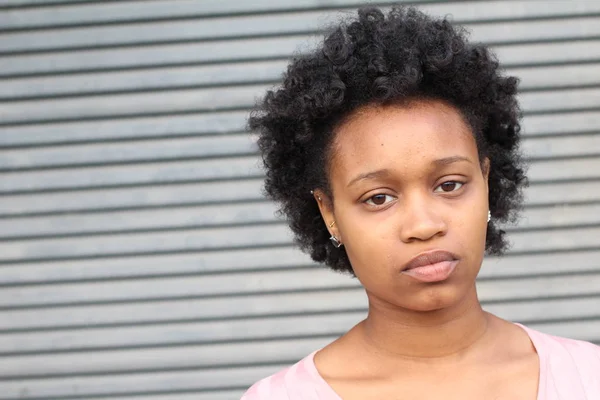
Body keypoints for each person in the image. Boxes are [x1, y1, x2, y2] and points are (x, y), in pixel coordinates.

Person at [241, 6, 600, 400]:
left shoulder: (587, 377)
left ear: (486, 180)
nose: (424, 225)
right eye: (378, 197)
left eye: (449, 185)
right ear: (330, 214)